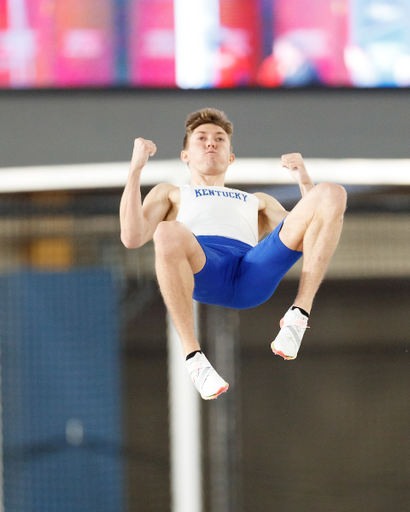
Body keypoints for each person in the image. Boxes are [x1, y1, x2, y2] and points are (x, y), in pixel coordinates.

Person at [120, 108, 347, 400]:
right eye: (201, 138)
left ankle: (298, 315)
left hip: (252, 271)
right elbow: (131, 236)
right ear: (186, 155)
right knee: (166, 231)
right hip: (205, 268)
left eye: (220, 139)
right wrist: (135, 169)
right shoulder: (171, 192)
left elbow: (311, 233)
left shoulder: (258, 201)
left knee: (333, 193)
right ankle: (194, 358)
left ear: (230, 157)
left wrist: (304, 181)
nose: (211, 143)